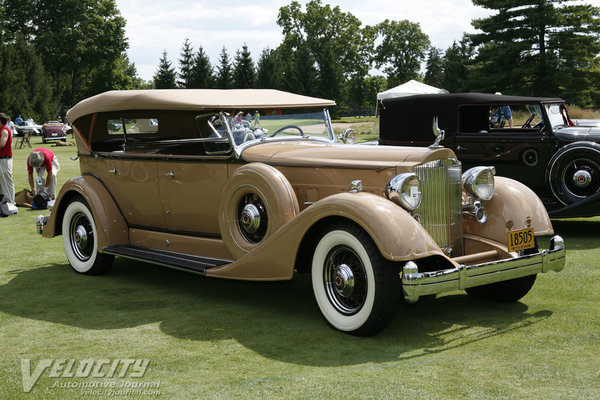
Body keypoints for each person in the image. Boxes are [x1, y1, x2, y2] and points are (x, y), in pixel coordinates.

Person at [0, 113, 15, 204]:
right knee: (2, 182)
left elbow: (2, 144)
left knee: (7, 180)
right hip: (2, 159)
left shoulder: (4, 131)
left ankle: (11, 202)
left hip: (4, 159)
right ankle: (4, 201)